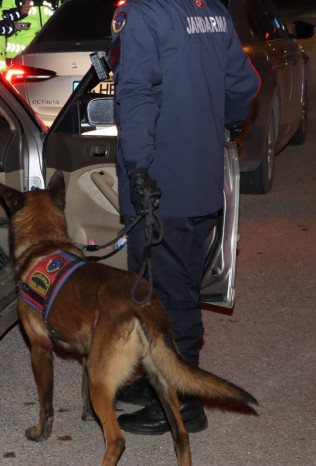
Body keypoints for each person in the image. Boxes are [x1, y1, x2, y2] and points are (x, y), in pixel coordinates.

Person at [108, 0, 259, 434]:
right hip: (201, 179)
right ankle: (160, 381)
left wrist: (137, 167)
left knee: (166, 298)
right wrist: (222, 124)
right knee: (179, 287)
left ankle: (180, 400)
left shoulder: (143, 13)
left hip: (161, 182)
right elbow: (243, 84)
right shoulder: (211, 9)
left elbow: (136, 93)